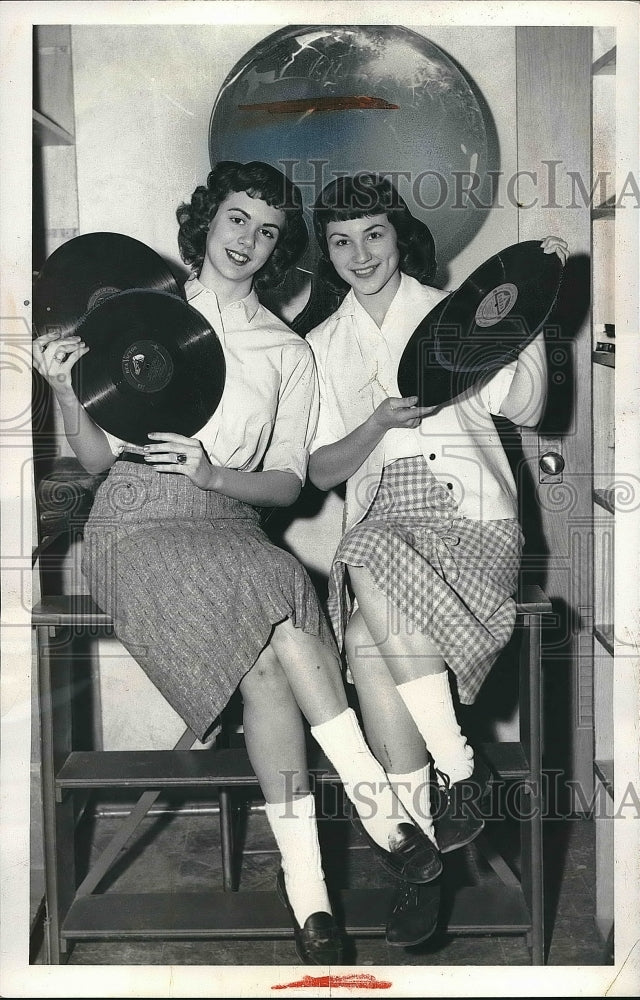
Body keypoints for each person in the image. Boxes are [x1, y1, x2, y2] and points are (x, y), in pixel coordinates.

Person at [32, 160, 444, 966]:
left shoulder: (288, 352)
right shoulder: (138, 316)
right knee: (278, 594)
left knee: (273, 633)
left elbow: (290, 483)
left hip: (229, 521)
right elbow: (91, 463)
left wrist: (212, 474)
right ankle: (380, 812)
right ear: (206, 222)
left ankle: (310, 899)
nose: (248, 242)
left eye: (267, 231)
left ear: (281, 249)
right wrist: (61, 392)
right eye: (236, 220)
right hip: (136, 526)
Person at [306, 172, 569, 948]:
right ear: (326, 251)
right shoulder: (321, 345)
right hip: (380, 520)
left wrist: (532, 310)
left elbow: (529, 408)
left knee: (366, 588)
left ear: (401, 236)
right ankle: (440, 826)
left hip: (472, 523)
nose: (360, 254)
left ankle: (436, 806)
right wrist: (381, 422)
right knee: (362, 624)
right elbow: (321, 472)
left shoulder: (452, 315)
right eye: (341, 241)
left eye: (374, 235)